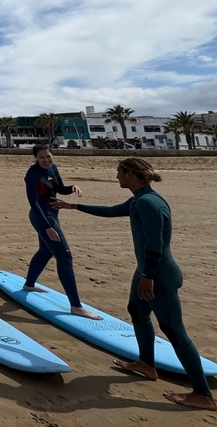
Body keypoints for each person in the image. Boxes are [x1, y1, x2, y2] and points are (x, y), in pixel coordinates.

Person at [53, 158, 215, 412]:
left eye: (119, 172)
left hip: (158, 275)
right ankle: (146, 365)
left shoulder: (150, 203)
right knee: (137, 312)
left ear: (130, 174)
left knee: (174, 330)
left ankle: (203, 394)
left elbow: (154, 245)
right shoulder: (140, 199)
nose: (116, 176)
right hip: (146, 271)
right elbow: (112, 210)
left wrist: (148, 276)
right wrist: (73, 206)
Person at [22, 143, 100, 319]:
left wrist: (72, 187)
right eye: (41, 157)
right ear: (36, 158)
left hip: (53, 214)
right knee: (64, 255)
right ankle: (76, 306)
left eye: (48, 156)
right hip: (42, 217)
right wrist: (48, 227)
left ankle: (29, 285)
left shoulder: (53, 168)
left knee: (45, 251)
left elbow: (60, 189)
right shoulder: (32, 174)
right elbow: (33, 203)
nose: (46, 160)